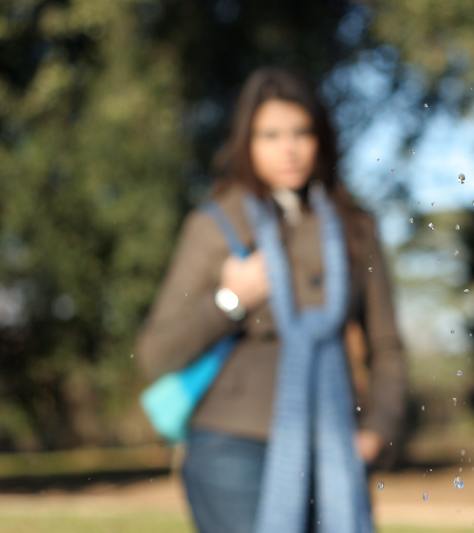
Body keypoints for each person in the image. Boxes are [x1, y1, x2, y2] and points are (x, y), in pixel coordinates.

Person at [136, 67, 407, 533]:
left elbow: (387, 346)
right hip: (232, 446)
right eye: (270, 135)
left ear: (321, 136)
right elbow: (155, 353)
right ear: (247, 142)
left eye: (302, 132)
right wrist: (230, 301)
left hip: (333, 444)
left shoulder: (355, 228)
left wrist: (379, 429)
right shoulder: (216, 223)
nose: (289, 148)